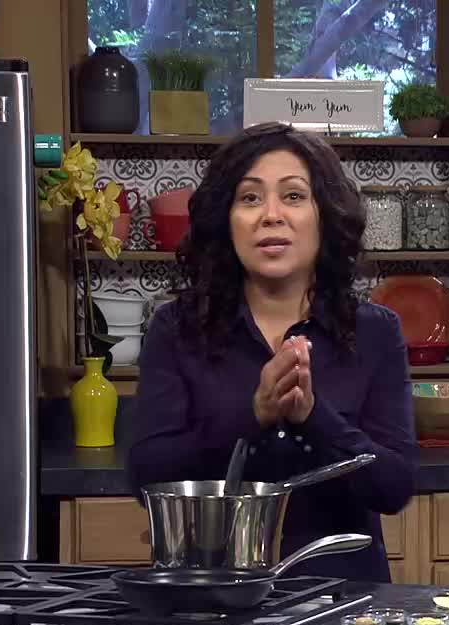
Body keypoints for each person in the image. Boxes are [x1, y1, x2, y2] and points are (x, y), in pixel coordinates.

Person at [128, 122, 418, 582]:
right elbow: (147, 479)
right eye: (250, 198)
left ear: (324, 216)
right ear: (226, 220)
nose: (271, 215)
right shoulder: (176, 329)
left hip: (343, 603)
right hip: (212, 596)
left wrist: (313, 417)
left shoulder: (375, 332)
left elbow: (394, 487)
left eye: (294, 196)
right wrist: (254, 415)